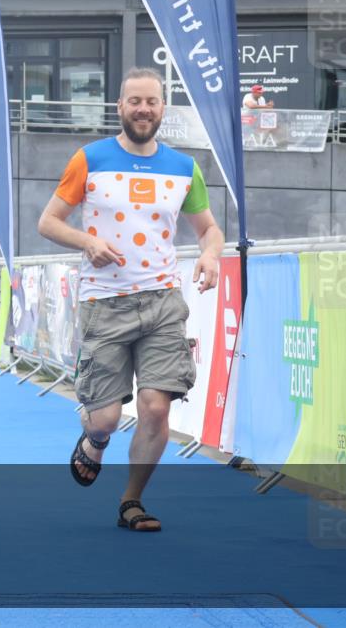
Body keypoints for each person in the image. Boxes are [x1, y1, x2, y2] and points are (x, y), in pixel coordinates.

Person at [37, 67, 223, 532]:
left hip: (162, 301)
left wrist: (211, 255)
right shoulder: (90, 158)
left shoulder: (184, 167)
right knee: (103, 417)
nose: (143, 109)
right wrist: (87, 243)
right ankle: (94, 441)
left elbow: (209, 228)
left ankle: (131, 501)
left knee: (157, 407)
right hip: (105, 302)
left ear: (163, 109)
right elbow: (49, 221)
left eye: (152, 102)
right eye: (135, 101)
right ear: (120, 106)